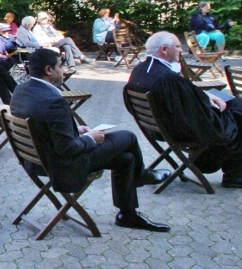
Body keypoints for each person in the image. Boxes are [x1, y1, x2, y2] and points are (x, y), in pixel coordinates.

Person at [13, 49, 170, 232]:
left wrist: (73, 130)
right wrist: (90, 138)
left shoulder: (21, 89)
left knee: (126, 159)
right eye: (61, 66)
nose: (64, 71)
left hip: (35, 161)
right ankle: (142, 176)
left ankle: (127, 214)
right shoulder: (55, 101)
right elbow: (67, 149)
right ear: (49, 70)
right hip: (63, 166)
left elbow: (41, 127)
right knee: (128, 137)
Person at [127, 31, 242, 189]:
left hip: (156, 127)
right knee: (237, 114)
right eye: (178, 46)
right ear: (164, 49)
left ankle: (226, 170)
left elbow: (183, 98)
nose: (181, 50)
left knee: (232, 104)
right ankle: (233, 175)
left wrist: (205, 96)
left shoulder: (141, 69)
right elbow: (192, 114)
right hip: (180, 130)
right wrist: (209, 106)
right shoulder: (168, 78)